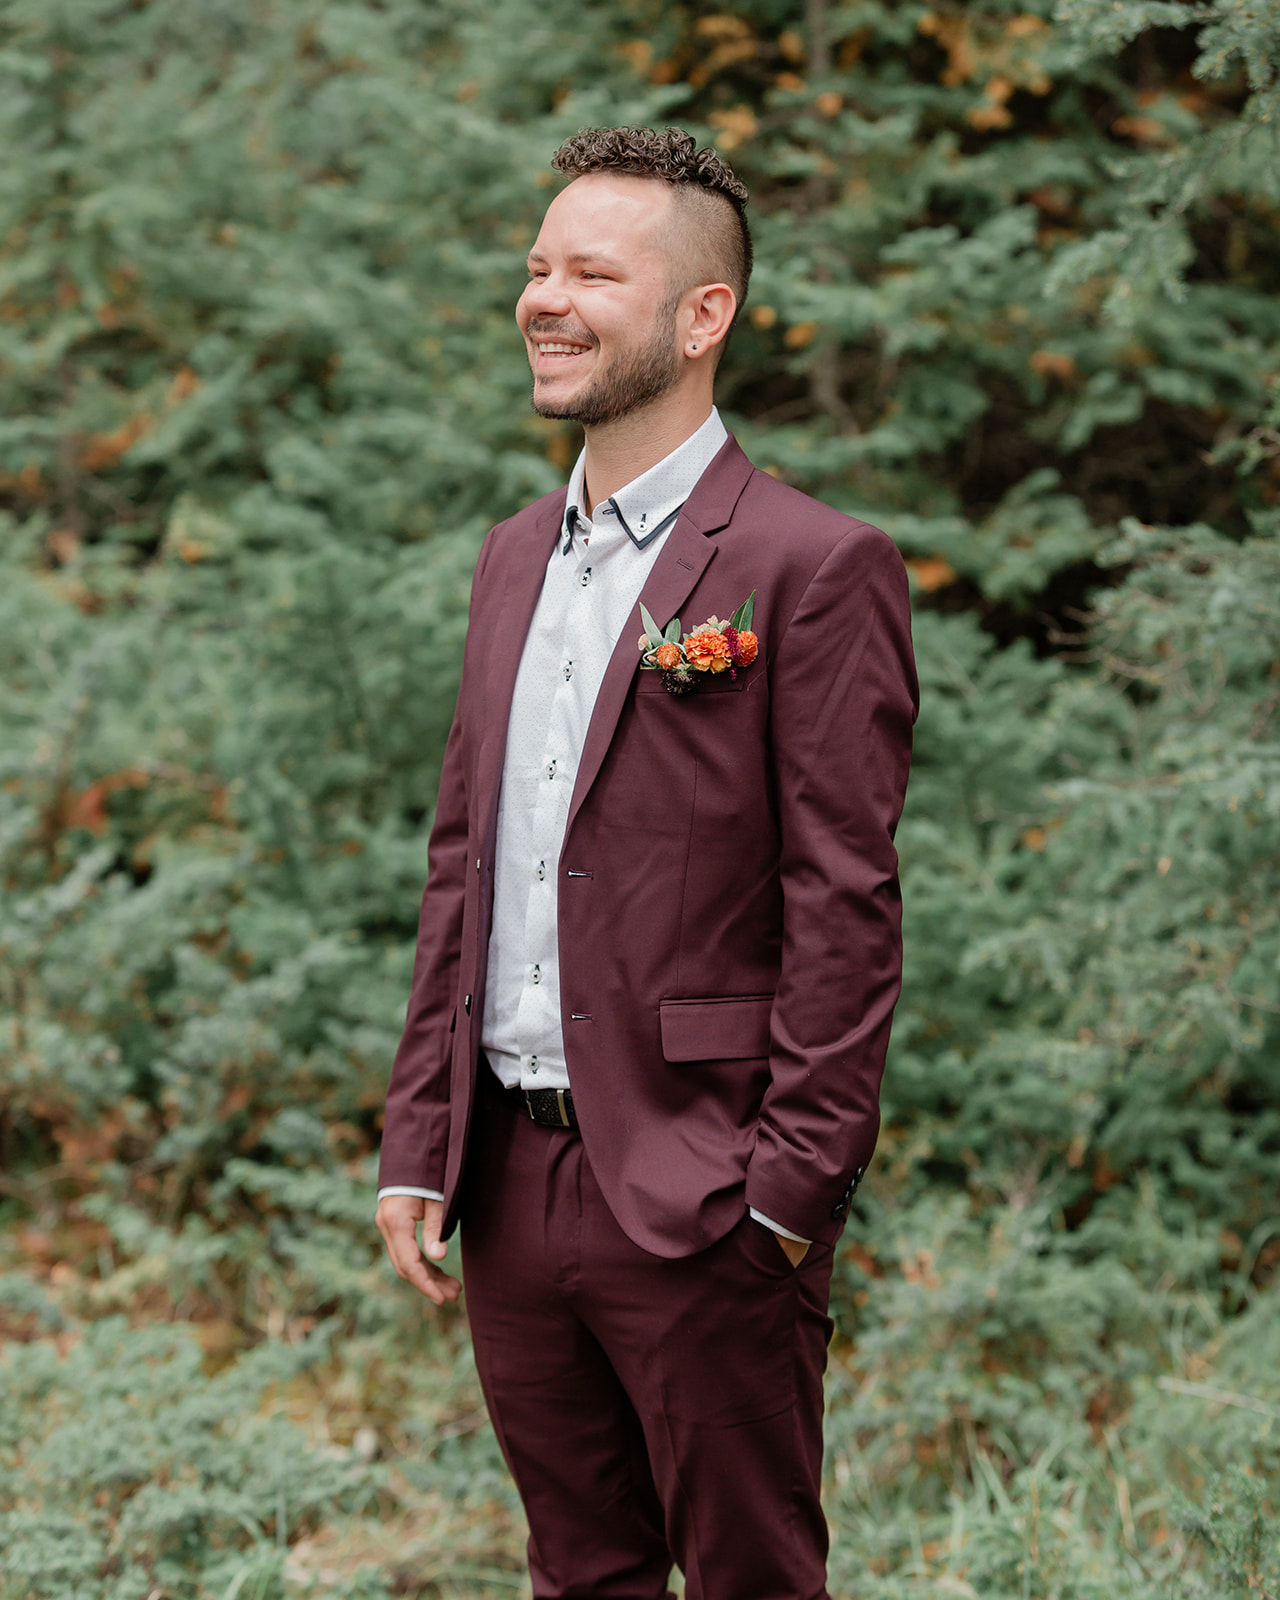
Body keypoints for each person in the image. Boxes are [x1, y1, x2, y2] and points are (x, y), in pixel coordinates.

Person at [375, 125, 917, 1600]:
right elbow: (464, 864)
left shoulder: (815, 566)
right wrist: (421, 1142)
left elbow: (845, 907)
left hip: (705, 1191)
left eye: (592, 272)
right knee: (580, 1575)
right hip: (508, 1187)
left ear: (702, 316)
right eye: (538, 266)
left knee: (750, 1581)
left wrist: (790, 1196)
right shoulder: (508, 557)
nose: (543, 298)